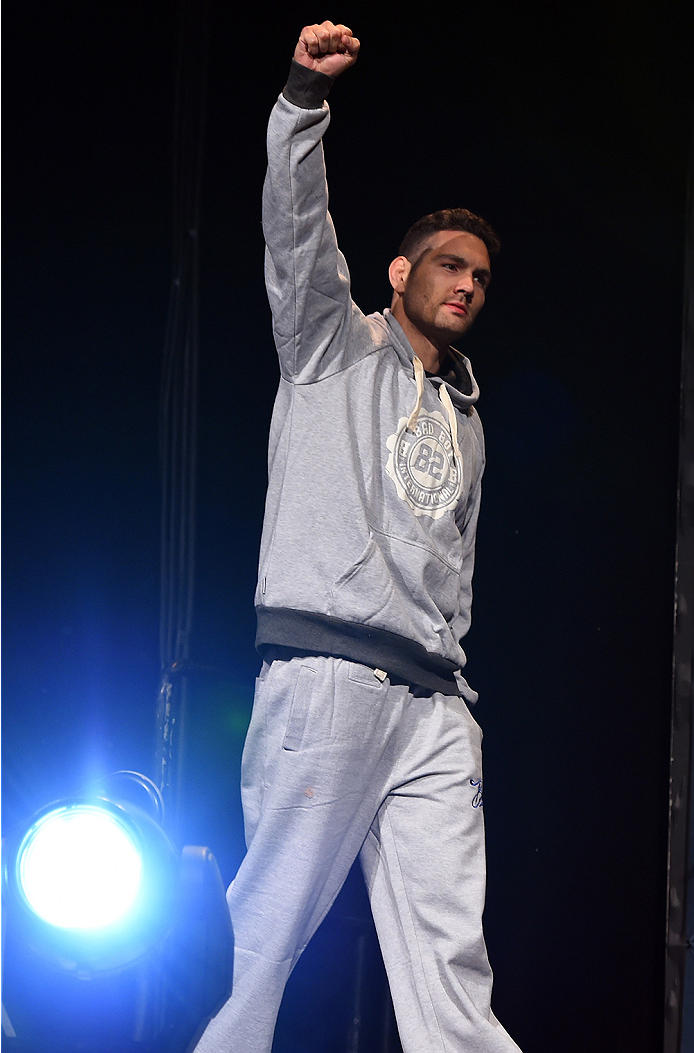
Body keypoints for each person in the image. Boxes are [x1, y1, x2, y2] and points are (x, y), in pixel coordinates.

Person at [195, 21, 522, 1053]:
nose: (465, 282)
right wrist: (302, 101)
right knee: (265, 934)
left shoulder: (468, 418)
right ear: (399, 272)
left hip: (433, 706)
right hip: (330, 677)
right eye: (447, 264)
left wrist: (459, 704)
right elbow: (295, 233)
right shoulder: (332, 346)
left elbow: (454, 574)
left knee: (449, 965)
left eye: (478, 274)